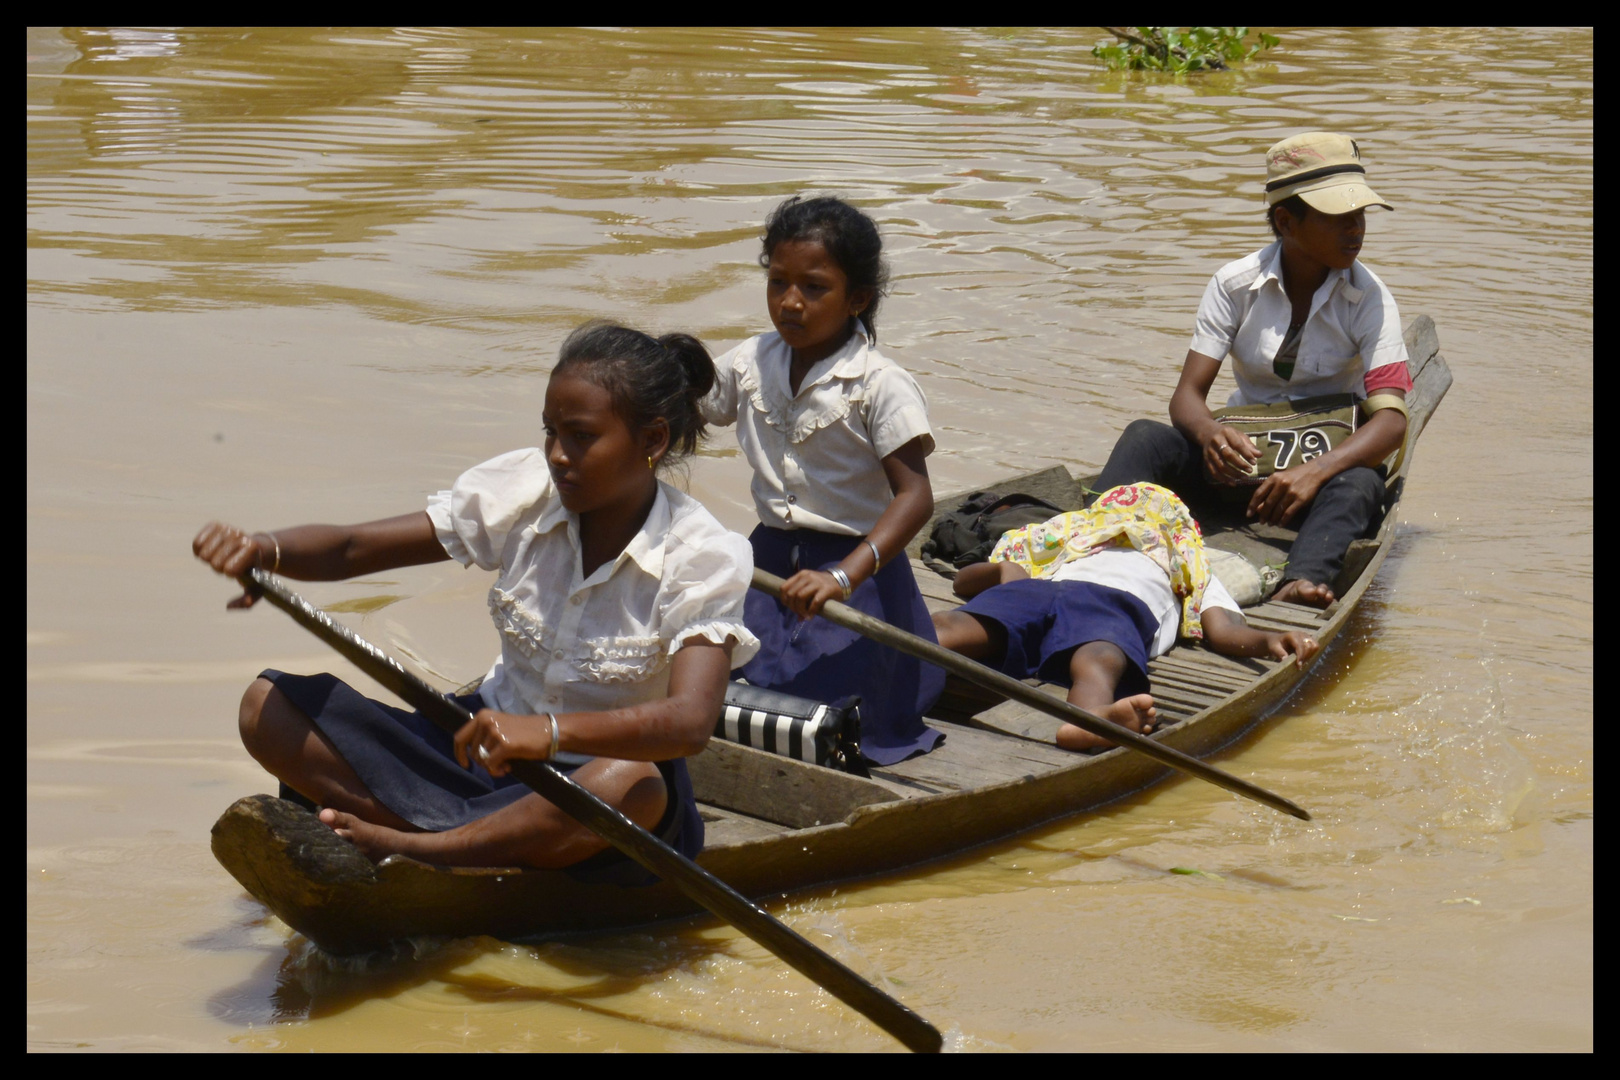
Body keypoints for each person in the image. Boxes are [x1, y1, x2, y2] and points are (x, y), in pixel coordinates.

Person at [192, 323, 758, 879]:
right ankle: (442, 840)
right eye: (550, 432)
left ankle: (420, 849)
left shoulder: (701, 554)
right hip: (480, 751)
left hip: (588, 787)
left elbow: (689, 722)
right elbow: (352, 549)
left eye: (581, 436)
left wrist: (551, 734)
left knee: (632, 786)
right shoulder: (525, 493)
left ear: (653, 441)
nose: (558, 455)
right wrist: (262, 550)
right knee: (266, 707)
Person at [1093, 131, 1413, 608]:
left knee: (1362, 484)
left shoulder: (1369, 299)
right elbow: (1187, 395)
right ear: (1286, 221)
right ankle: (1091, 544)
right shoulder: (1234, 285)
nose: (1356, 229)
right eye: (1338, 217)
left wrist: (1315, 472)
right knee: (1144, 437)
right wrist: (1207, 435)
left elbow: (1391, 422)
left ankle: (1301, 580)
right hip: (1238, 469)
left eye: (1360, 215)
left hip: (1316, 482)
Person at [701, 195, 944, 765]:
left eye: (813, 288)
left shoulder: (880, 384)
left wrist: (842, 575)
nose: (790, 302)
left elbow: (916, 498)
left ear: (856, 299)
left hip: (856, 573)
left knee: (825, 716)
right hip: (767, 567)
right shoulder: (749, 360)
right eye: (778, 282)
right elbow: (692, 410)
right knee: (716, 685)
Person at [932, 483, 1321, 752]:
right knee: (956, 625)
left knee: (1098, 659)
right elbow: (963, 585)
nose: (1135, 524)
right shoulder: (1073, 546)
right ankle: (892, 645)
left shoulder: (1187, 564)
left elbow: (1222, 629)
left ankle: (1088, 722)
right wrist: (1006, 571)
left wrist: (1270, 639)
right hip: (1045, 592)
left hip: (1119, 606)